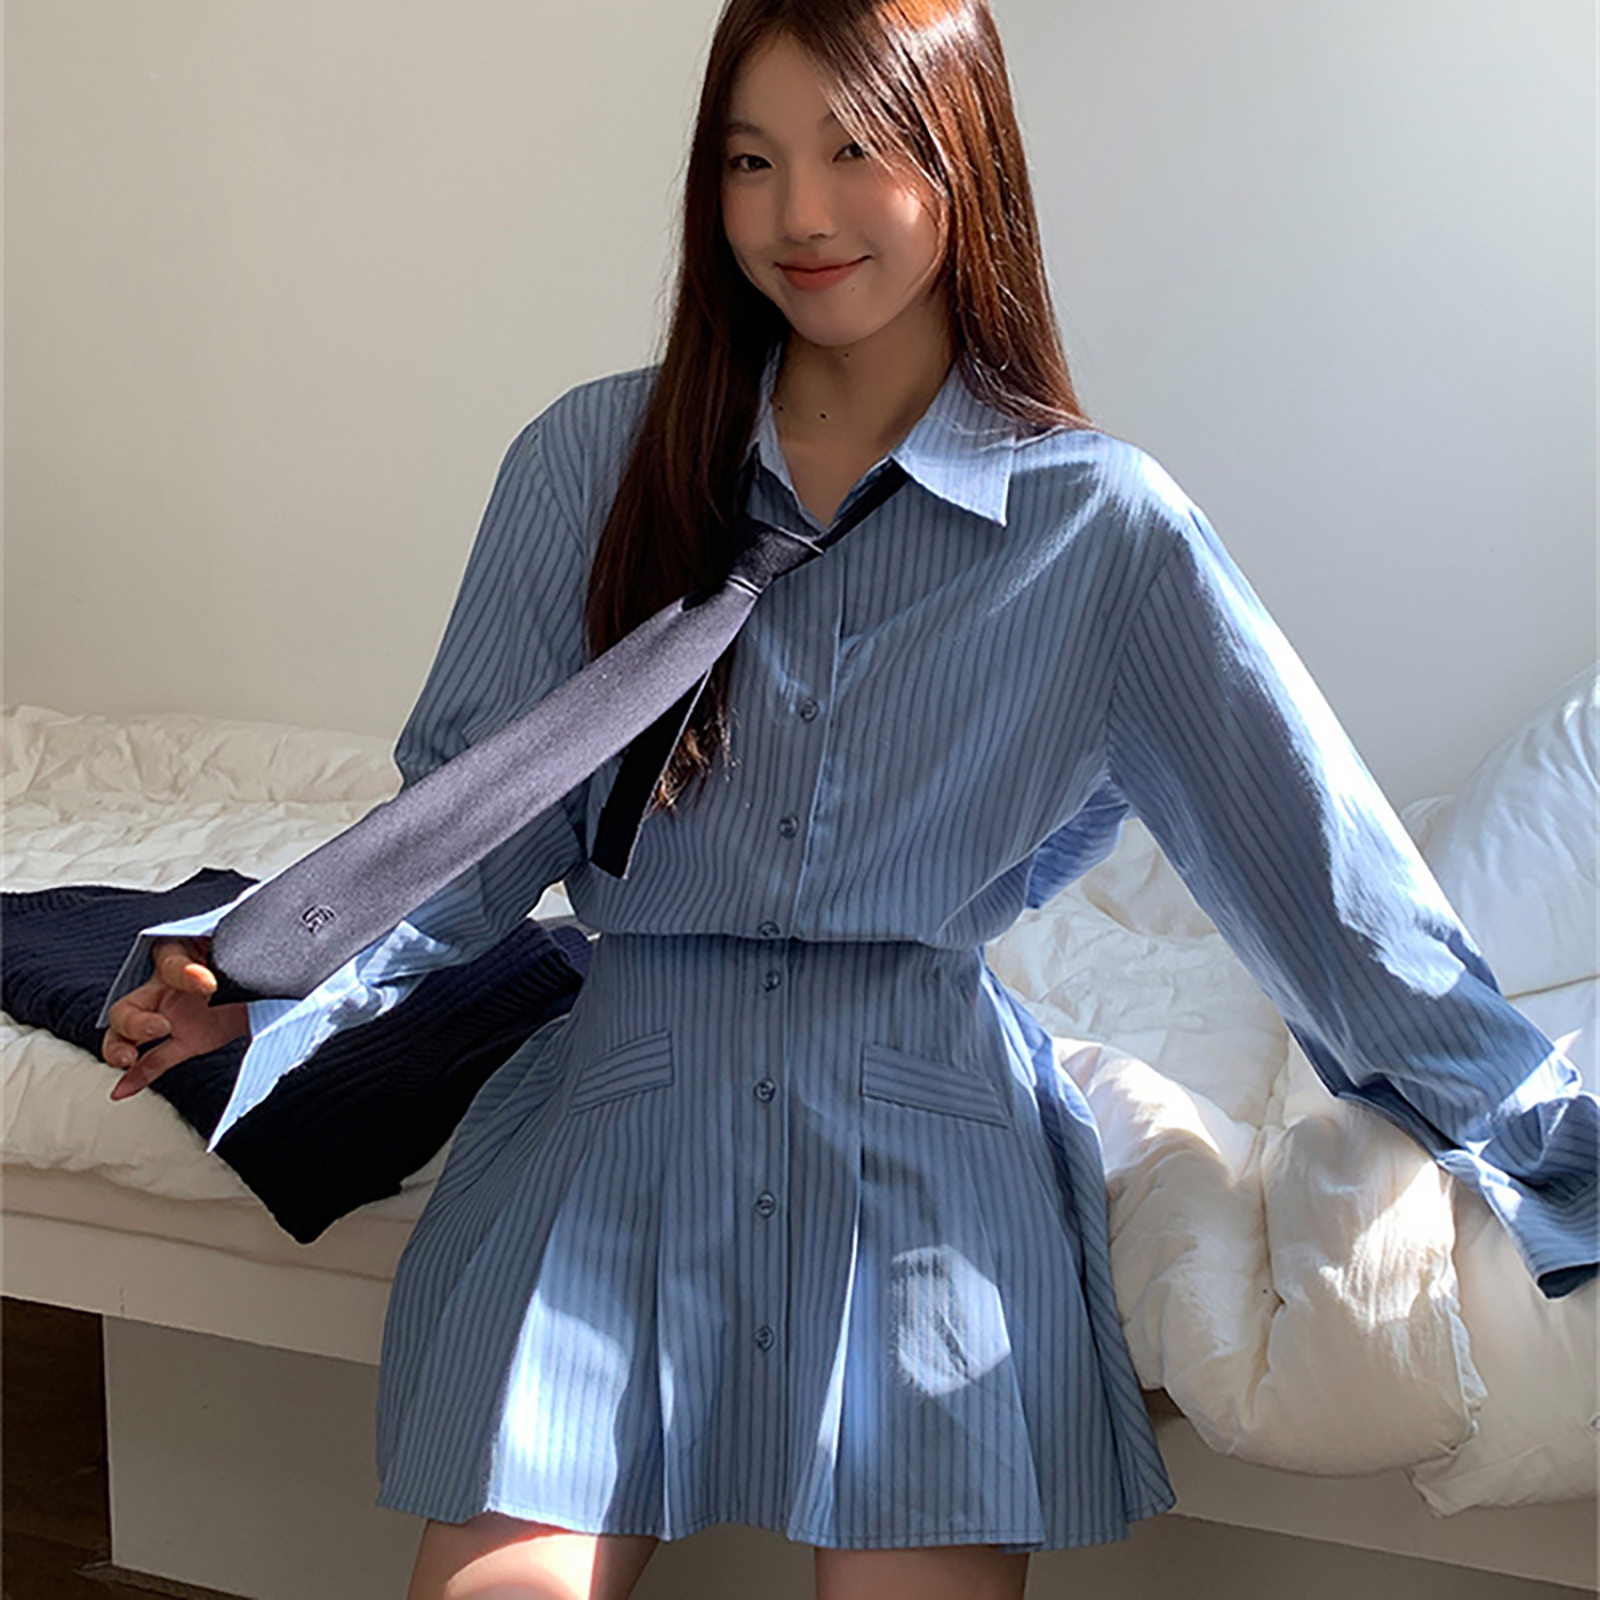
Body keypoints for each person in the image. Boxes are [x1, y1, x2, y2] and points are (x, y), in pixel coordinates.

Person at [100, 1, 1594, 1597]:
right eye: (751, 162)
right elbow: (472, 822)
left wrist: (1541, 1143)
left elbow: (1319, 873)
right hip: (622, 1119)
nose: (798, 215)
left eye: (856, 150)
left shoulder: (1100, 528)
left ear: (963, 165)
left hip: (923, 1136)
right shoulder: (590, 464)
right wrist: (270, 976)